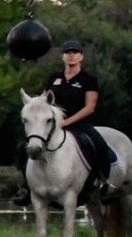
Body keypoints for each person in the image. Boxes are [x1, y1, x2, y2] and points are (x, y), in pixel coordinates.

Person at [45, 39, 110, 196]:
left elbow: (90, 107)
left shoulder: (88, 80)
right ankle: (26, 187)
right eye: (68, 52)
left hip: (79, 125)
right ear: (63, 57)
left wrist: (67, 122)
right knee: (26, 146)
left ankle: (103, 180)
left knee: (98, 144)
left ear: (81, 56)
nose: (71, 56)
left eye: (75, 52)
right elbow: (45, 101)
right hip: (54, 126)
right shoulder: (54, 78)